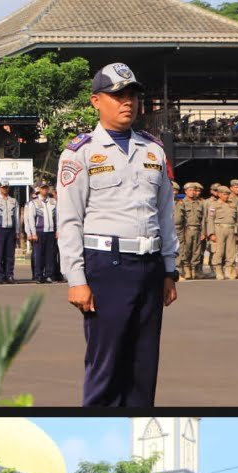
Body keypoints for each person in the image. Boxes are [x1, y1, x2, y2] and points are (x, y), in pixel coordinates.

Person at [55, 63, 179, 406]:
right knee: (106, 367)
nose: (128, 102)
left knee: (143, 368)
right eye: (118, 95)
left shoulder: (153, 150)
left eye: (133, 95)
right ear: (96, 100)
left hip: (150, 264)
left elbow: (165, 214)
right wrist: (75, 278)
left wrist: (170, 269)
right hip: (106, 265)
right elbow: (69, 220)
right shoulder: (80, 152)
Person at [25, 181, 59, 284]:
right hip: (39, 232)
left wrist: (58, 230)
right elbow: (31, 219)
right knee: (39, 255)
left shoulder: (53, 201)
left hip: (51, 232)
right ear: (39, 189)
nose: (45, 189)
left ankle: (49, 275)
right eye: (43, 188)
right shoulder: (33, 203)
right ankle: (38, 275)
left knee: (50, 255)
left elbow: (57, 217)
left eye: (46, 188)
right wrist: (33, 233)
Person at [0, 181, 20, 284]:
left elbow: (17, 217)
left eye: (6, 187)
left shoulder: (13, 201)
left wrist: (17, 231)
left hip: (10, 230)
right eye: (3, 187)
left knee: (10, 255)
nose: (5, 189)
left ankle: (9, 275)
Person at [175, 182, 206, 280]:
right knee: (186, 250)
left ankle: (194, 270)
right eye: (190, 190)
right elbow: (181, 218)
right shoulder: (182, 203)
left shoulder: (200, 203)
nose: (192, 192)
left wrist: (203, 232)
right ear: (185, 191)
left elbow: (203, 219)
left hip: (197, 229)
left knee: (196, 251)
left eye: (194, 190)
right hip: (187, 229)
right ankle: (186, 269)